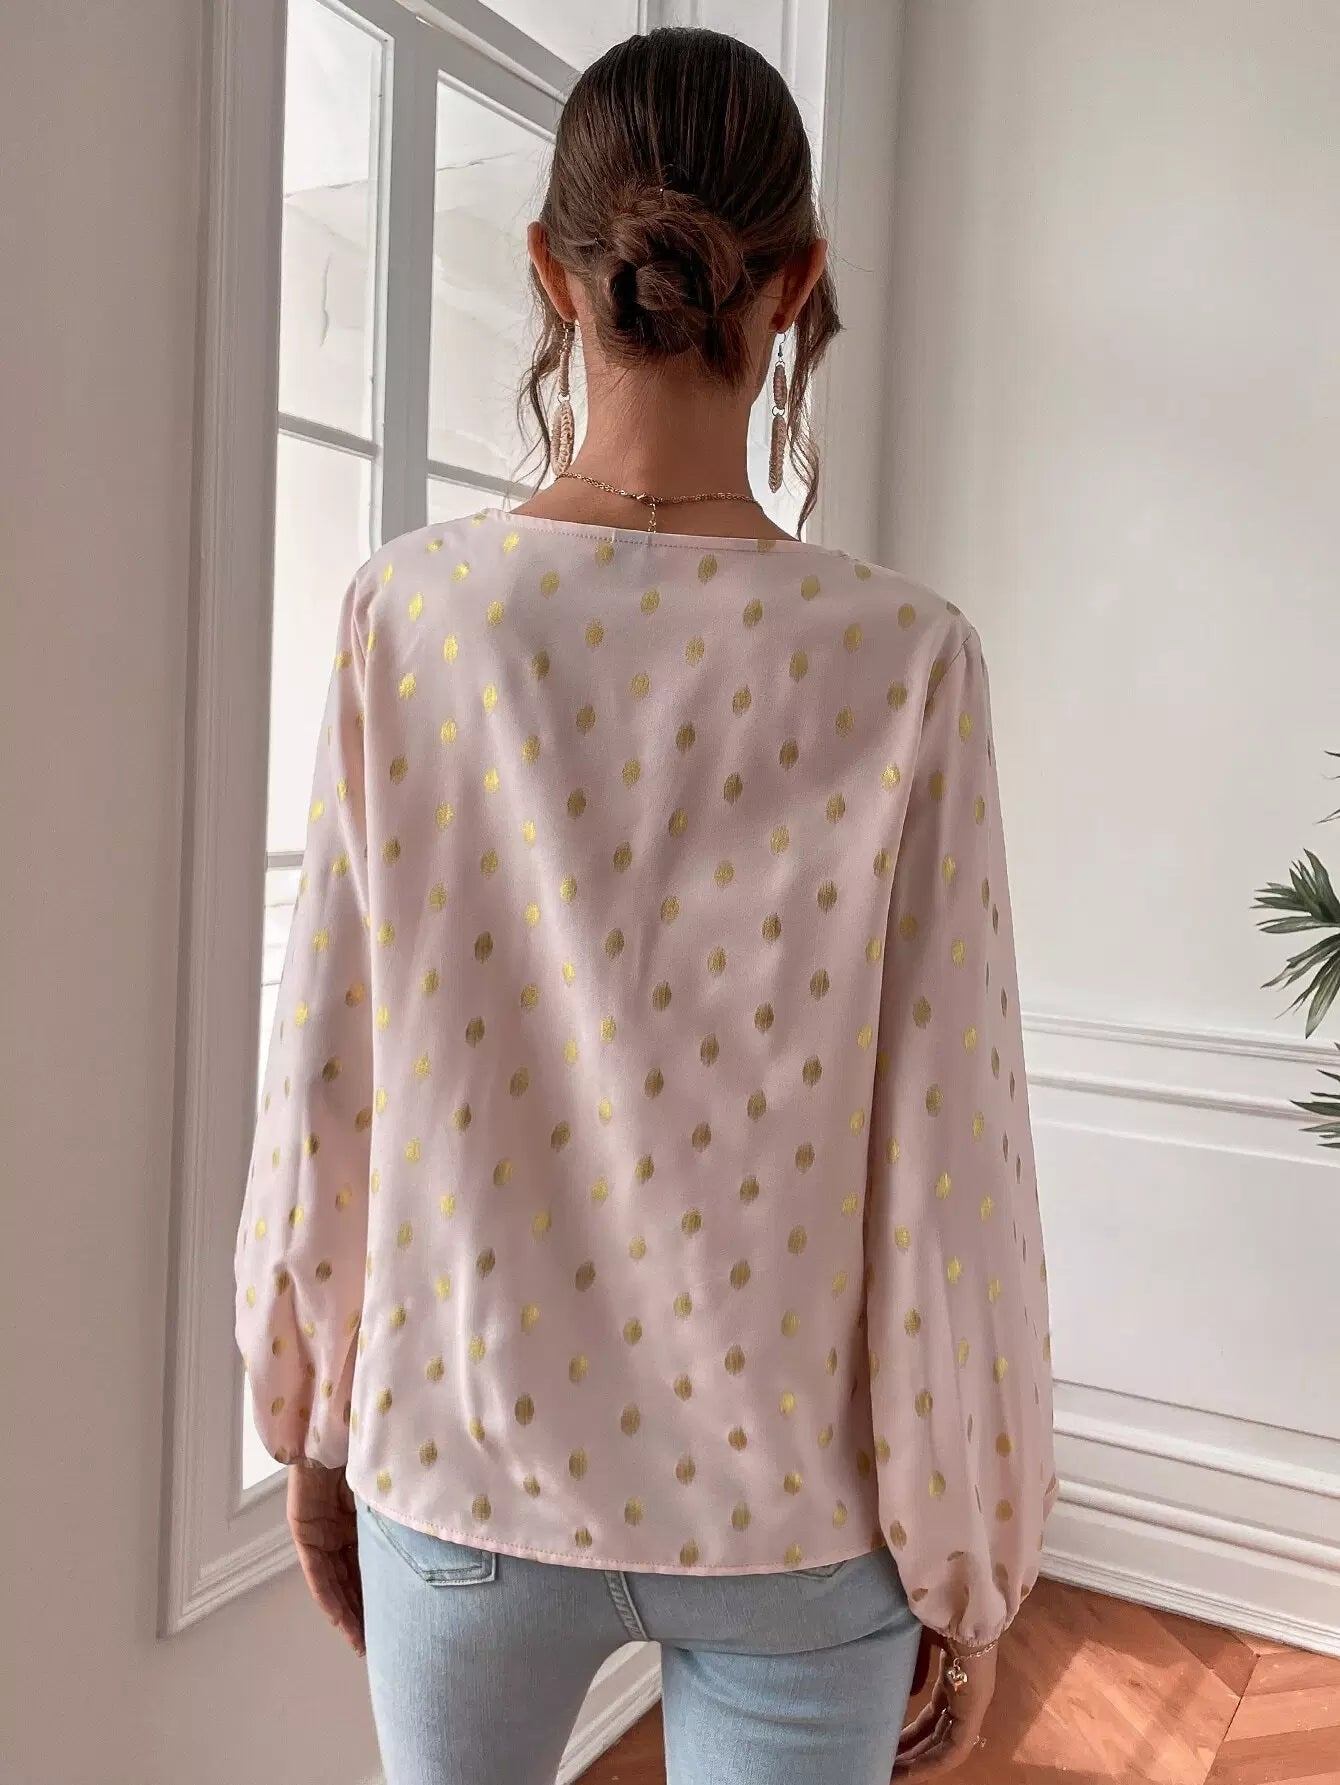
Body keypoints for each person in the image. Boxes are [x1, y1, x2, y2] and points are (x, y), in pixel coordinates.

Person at [235, 25, 1055, 1785]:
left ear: (552, 271)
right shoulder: (906, 659)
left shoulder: (413, 616)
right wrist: (969, 1562)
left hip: (461, 1471)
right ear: (799, 284)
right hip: (797, 1519)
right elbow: (952, 1153)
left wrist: (312, 1422)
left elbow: (327, 1078)